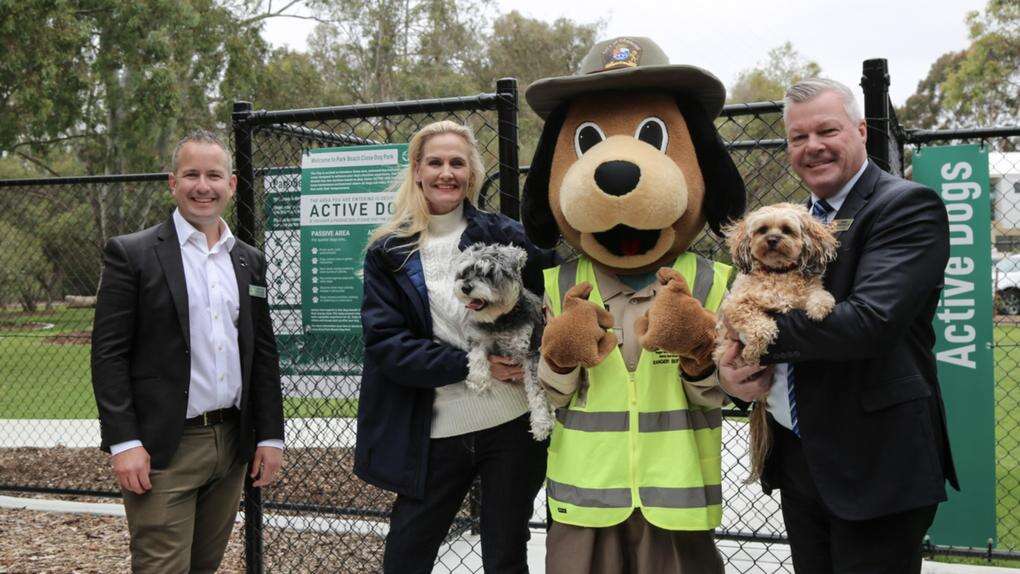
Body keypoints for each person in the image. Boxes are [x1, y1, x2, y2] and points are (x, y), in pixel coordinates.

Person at [718, 78, 958, 574]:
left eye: (827, 130)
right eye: (798, 137)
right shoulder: (796, 219)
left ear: (861, 130)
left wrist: (752, 336)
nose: (813, 147)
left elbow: (869, 324)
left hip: (874, 461)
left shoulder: (905, 206)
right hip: (800, 456)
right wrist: (733, 374)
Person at [355, 120, 555, 573]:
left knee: (505, 552)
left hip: (510, 422)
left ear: (472, 173)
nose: (447, 172)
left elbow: (556, 293)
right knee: (406, 554)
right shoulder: (388, 251)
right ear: (418, 171)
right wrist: (472, 363)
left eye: (457, 163)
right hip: (433, 427)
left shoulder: (506, 235)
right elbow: (387, 343)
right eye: (436, 162)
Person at [91, 130, 285, 573]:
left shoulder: (247, 259)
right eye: (192, 174)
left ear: (232, 185)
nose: (204, 185)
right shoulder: (133, 254)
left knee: (204, 566)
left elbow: (263, 352)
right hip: (163, 449)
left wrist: (270, 435)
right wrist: (124, 442)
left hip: (232, 445)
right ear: (172, 182)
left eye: (214, 175)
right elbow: (108, 355)